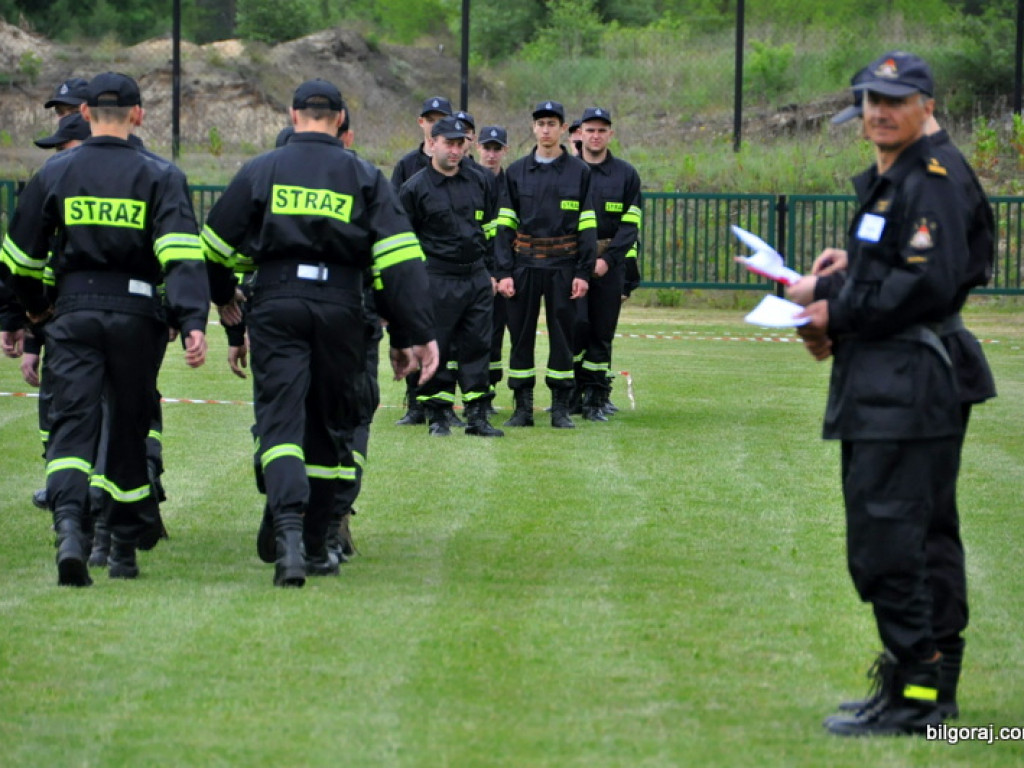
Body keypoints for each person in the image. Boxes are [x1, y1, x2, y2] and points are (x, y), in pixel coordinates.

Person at [788, 58, 996, 728]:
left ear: (925, 103)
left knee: (890, 542)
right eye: (871, 101)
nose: (879, 111)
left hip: (906, 380)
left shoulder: (929, 175)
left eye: (894, 100)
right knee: (921, 537)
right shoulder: (905, 172)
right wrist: (845, 274)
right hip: (896, 376)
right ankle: (927, 692)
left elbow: (926, 285)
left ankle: (915, 697)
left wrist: (831, 313)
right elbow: (908, 267)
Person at [203, 78, 438, 587]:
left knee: (281, 423)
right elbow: (398, 260)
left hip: (277, 305)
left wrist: (226, 301)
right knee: (332, 426)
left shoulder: (262, 169)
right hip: (342, 311)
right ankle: (316, 543)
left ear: (292, 116)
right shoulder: (363, 175)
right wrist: (411, 333)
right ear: (340, 120)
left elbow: (215, 248)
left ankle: (285, 530)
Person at [0, 72, 210, 586]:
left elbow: (19, 258)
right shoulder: (162, 175)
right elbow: (181, 255)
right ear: (138, 114)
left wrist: (34, 310)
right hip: (138, 316)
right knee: (127, 428)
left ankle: (70, 532)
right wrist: (190, 321)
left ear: (86, 115)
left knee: (71, 427)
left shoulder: (55, 173)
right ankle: (120, 550)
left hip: (71, 314)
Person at [494, 100, 597, 428]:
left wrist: (583, 272)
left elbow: (588, 226)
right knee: (520, 336)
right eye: (541, 124)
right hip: (524, 265)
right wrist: (503, 272)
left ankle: (560, 407)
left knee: (563, 337)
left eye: (553, 124)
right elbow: (504, 226)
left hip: (563, 267)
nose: (546, 129)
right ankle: (522, 407)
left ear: (563, 129)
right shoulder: (516, 172)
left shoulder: (580, 172)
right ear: (533, 128)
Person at [399, 115, 503, 437]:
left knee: (477, 346)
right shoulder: (413, 188)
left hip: (475, 277)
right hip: (437, 278)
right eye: (449, 144)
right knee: (438, 348)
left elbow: (489, 229)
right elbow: (404, 240)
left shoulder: (480, 181)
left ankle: (477, 416)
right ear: (432, 144)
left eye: (461, 144)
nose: (455, 151)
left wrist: (490, 271)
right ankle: (438, 415)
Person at [573, 107, 642, 421]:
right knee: (573, 329)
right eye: (590, 130)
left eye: (602, 130)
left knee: (601, 332)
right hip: (571, 263)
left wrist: (607, 260)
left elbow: (630, 225)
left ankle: (596, 399)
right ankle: (570, 395)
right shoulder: (568, 170)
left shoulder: (626, 174)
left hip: (608, 265)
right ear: (580, 134)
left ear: (610, 134)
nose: (596, 136)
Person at [391, 96, 453, 426]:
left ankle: (443, 405)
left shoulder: (459, 165)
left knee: (447, 338)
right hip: (415, 266)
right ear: (422, 123)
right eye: (430, 118)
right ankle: (415, 404)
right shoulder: (406, 166)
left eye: (441, 117)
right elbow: (394, 216)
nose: (434, 122)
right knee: (414, 329)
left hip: (449, 268)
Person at [478, 125, 511, 407]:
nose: (491, 154)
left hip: (510, 272)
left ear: (504, 151)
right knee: (477, 335)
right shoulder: (469, 180)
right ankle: (477, 392)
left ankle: (492, 389)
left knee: (499, 335)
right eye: (487, 148)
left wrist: (505, 274)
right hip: (479, 272)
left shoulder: (512, 183)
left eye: (496, 149)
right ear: (478, 148)